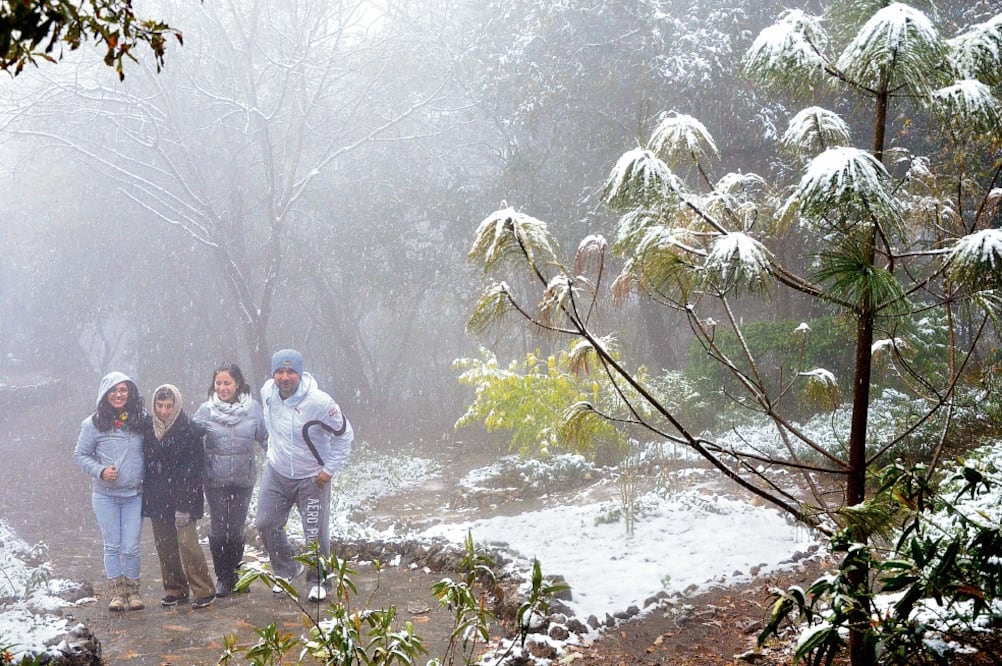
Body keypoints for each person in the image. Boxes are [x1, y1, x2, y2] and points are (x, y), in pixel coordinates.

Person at [256, 349, 353, 602]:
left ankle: (319, 580)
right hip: (276, 472)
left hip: (311, 478)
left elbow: (345, 436)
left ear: (300, 373)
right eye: (279, 371)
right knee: (265, 524)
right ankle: (287, 569)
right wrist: (273, 452)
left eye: (290, 372)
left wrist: (328, 470)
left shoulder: (320, 403)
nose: (284, 377)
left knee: (314, 534)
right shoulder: (267, 392)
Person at [73, 371, 149, 612]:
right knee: (112, 545)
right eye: (114, 390)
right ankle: (117, 594)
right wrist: (101, 470)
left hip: (134, 494)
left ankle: (133, 591)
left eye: (123, 390)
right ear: (105, 394)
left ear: (130, 393)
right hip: (105, 496)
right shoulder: (93, 424)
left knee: (131, 546)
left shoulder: (141, 419)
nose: (118, 394)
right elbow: (80, 455)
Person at [192, 362, 268, 597]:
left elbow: (265, 439)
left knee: (235, 531)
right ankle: (223, 577)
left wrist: (282, 464)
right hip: (215, 480)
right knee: (218, 529)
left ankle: (234, 575)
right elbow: (190, 441)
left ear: (237, 384)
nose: (223, 388)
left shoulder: (253, 409)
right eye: (219, 383)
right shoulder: (206, 410)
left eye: (227, 383)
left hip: (243, 479)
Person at [143, 384, 216, 609]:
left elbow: (193, 471)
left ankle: (204, 589)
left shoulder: (190, 431)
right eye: (160, 405)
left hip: (184, 495)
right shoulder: (147, 427)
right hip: (158, 496)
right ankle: (175, 589)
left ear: (177, 405)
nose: (164, 411)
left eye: (168, 406)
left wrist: (184, 505)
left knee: (187, 544)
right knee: (164, 545)